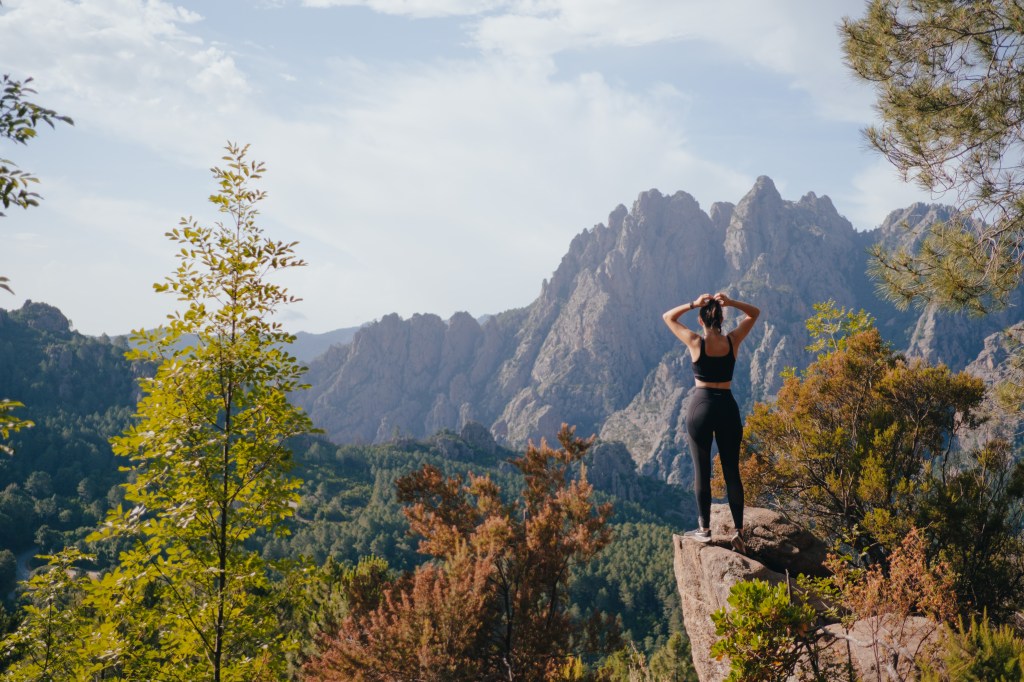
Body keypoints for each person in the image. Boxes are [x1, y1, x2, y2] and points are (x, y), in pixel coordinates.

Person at [662, 292, 760, 552]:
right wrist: (731, 302)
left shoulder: (695, 342)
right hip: (727, 407)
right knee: (732, 471)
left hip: (701, 406)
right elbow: (755, 314)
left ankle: (704, 530)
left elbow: (668, 317)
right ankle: (739, 532)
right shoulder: (733, 340)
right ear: (721, 318)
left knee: (701, 471)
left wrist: (693, 302)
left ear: (700, 320)